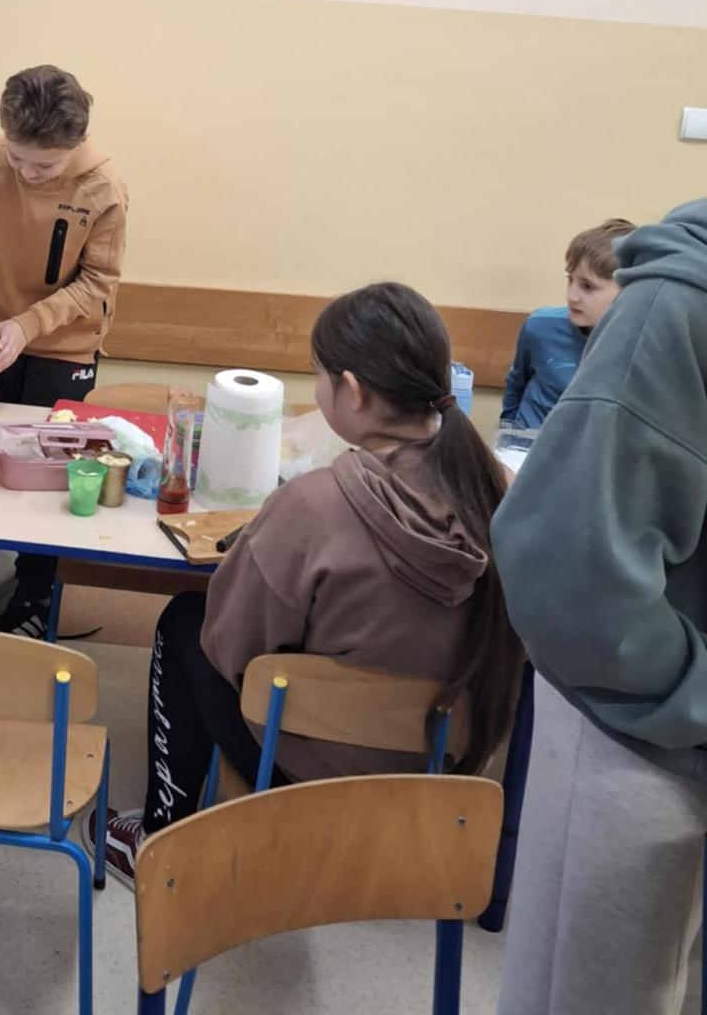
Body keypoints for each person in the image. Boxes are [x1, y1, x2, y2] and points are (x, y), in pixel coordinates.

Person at [87, 282, 520, 885]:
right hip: (441, 760)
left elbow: (231, 649)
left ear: (352, 391)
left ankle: (159, 839)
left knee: (186, 622)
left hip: (311, 762)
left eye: (318, 376)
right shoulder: (499, 490)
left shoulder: (312, 505)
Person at [491, 200, 707, 1015]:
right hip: (644, 733)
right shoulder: (674, 307)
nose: (573, 296)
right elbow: (567, 572)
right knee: (605, 989)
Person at [0, 65, 128, 637]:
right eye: (17, 157)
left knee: (48, 476)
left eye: (43, 166)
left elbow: (97, 282)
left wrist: (31, 324)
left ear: (77, 141)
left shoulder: (103, 190)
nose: (26, 173)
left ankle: (35, 597)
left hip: (65, 346)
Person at [501, 218, 634, 428]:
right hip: (528, 442)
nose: (572, 296)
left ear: (628, 291)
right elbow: (515, 385)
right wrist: (508, 431)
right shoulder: (540, 327)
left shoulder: (641, 346)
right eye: (570, 279)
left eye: (588, 286)